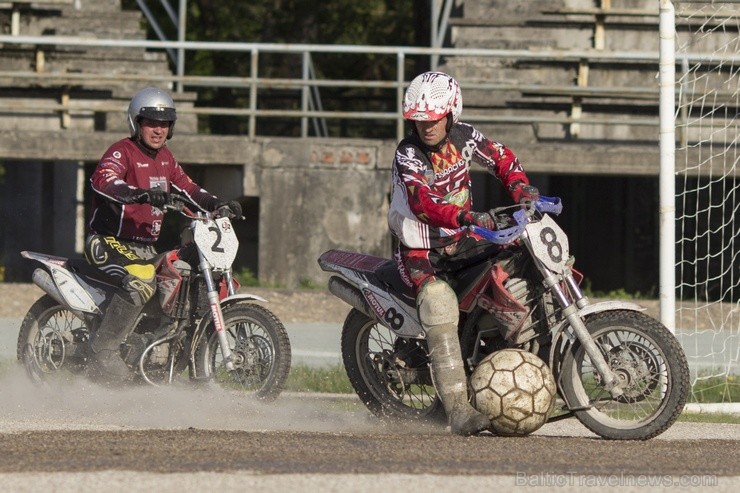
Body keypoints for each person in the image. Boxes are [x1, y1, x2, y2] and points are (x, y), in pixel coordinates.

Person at [387, 71, 540, 436]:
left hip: (465, 237)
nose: (426, 126)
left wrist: (520, 188)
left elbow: (501, 156)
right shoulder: (408, 154)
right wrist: (465, 216)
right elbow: (420, 202)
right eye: (419, 119)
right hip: (421, 251)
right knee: (439, 303)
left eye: (435, 118)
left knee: (521, 254)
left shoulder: (466, 136)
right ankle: (457, 409)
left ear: (451, 113)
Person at [85, 86, 242, 383]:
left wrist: (218, 204)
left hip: (145, 248)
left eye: (164, 123)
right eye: (151, 122)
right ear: (136, 122)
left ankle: (158, 357)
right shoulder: (122, 151)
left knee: (181, 277)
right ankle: (103, 352)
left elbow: (191, 189)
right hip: (108, 242)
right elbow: (103, 182)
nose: (158, 130)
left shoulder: (166, 159)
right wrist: (139, 195)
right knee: (142, 278)